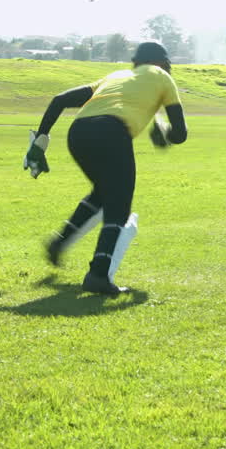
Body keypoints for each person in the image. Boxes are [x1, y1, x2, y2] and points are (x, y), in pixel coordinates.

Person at [23, 41, 188, 296]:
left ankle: (60, 242)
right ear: (161, 63)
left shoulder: (117, 76)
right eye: (167, 64)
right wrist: (164, 131)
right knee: (119, 206)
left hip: (78, 134)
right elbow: (181, 134)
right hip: (112, 132)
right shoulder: (162, 77)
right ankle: (98, 275)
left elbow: (60, 100)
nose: (169, 68)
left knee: (103, 193)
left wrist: (40, 142)